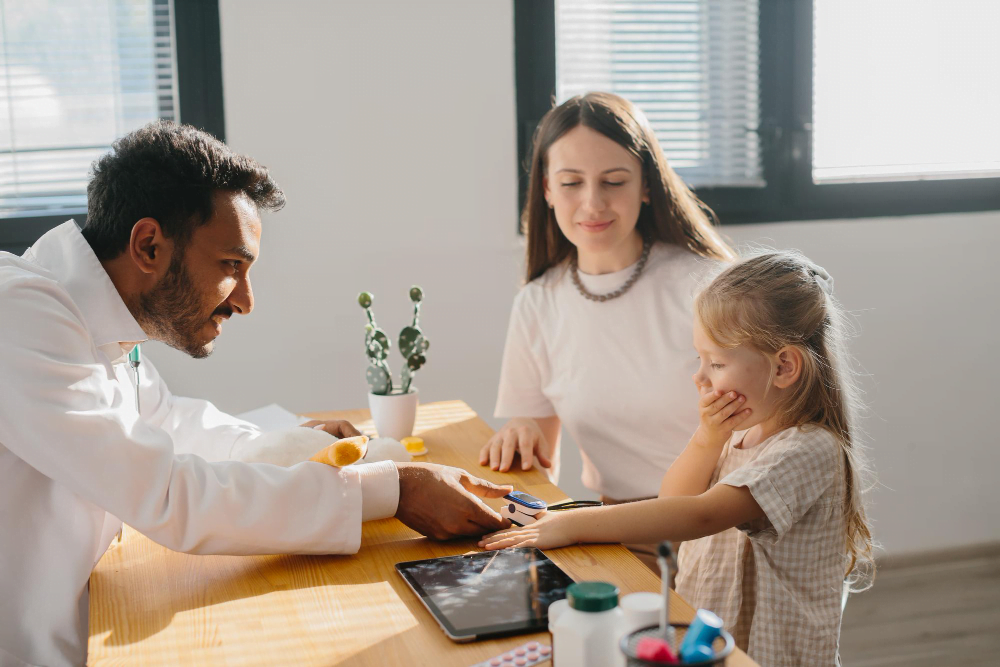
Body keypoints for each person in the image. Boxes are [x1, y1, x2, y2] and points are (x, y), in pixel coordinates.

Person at [0, 121, 511, 667]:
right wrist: (395, 490)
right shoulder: (20, 315)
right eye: (231, 266)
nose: (244, 301)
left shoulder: (92, 318)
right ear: (148, 244)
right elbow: (168, 494)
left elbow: (169, 423)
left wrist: (288, 444)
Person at [480, 251, 876, 666]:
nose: (699, 376)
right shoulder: (737, 430)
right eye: (699, 359)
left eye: (717, 362)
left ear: (784, 366)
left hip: (771, 655)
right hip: (713, 638)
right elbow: (676, 498)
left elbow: (701, 515)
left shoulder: (809, 449)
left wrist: (571, 525)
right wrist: (707, 438)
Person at [480, 92, 734, 567]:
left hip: (721, 532)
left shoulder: (708, 287)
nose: (592, 203)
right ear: (547, 190)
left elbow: (773, 444)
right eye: (571, 182)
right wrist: (520, 431)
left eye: (614, 181)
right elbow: (542, 468)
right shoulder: (539, 302)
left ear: (646, 185)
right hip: (615, 536)